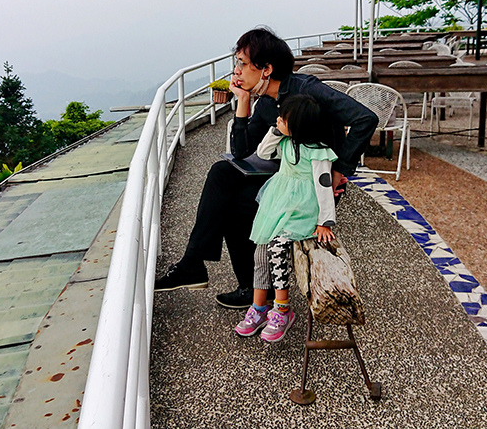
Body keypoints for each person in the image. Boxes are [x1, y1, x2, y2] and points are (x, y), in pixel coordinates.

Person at [154, 27, 377, 309]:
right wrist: (243, 103)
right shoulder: (266, 104)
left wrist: (339, 171)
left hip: (313, 187)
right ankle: (196, 264)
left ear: (266, 69)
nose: (236, 70)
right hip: (284, 180)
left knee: (236, 205)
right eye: (237, 63)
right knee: (222, 173)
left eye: (242, 64)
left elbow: (365, 119)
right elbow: (242, 153)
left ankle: (246, 285)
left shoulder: (307, 90)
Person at [234, 95, 337, 342]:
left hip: (302, 209)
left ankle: (282, 309)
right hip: (278, 202)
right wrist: (276, 131)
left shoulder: (318, 152)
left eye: (284, 119)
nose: (278, 121)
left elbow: (324, 187)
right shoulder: (286, 142)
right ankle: (258, 308)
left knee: (278, 247)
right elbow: (263, 152)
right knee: (260, 251)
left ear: (299, 124)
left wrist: (326, 221)